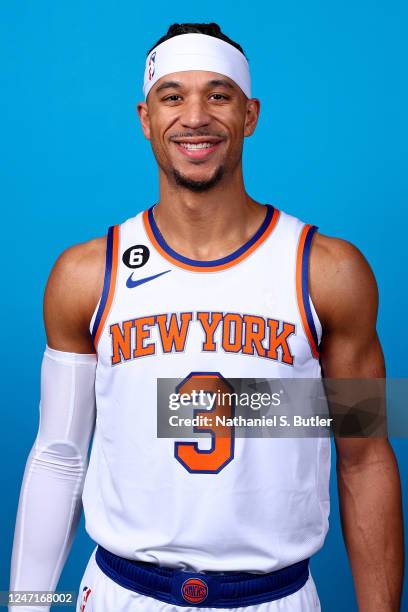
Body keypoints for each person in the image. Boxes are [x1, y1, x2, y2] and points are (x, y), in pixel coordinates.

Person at [9, 22, 403, 612]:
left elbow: (366, 456)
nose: (195, 116)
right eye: (173, 96)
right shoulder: (87, 273)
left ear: (250, 114)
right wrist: (26, 603)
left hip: (276, 596)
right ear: (145, 118)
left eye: (218, 95)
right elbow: (58, 456)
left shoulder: (329, 270)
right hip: (122, 592)